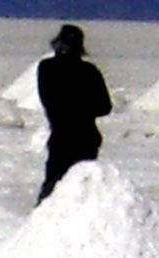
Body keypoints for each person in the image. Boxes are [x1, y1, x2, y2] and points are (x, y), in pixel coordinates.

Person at [36, 24, 112, 204]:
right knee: (83, 189)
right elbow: (105, 107)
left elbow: (48, 100)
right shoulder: (90, 71)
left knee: (53, 186)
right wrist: (84, 110)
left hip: (60, 137)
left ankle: (42, 222)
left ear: (58, 43)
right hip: (86, 138)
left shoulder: (46, 68)